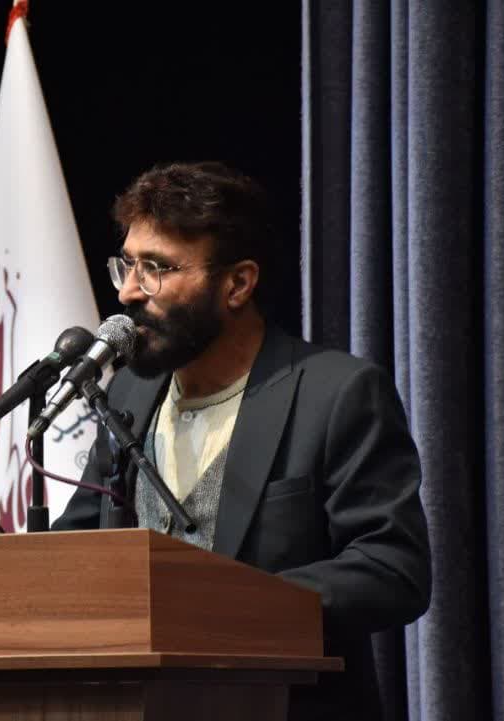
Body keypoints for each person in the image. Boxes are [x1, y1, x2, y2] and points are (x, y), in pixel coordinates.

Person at [52, 161, 431, 721]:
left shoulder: (336, 393)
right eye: (126, 265)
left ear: (237, 284)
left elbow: (391, 568)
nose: (129, 291)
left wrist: (226, 603)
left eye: (156, 268)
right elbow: (74, 549)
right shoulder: (130, 391)